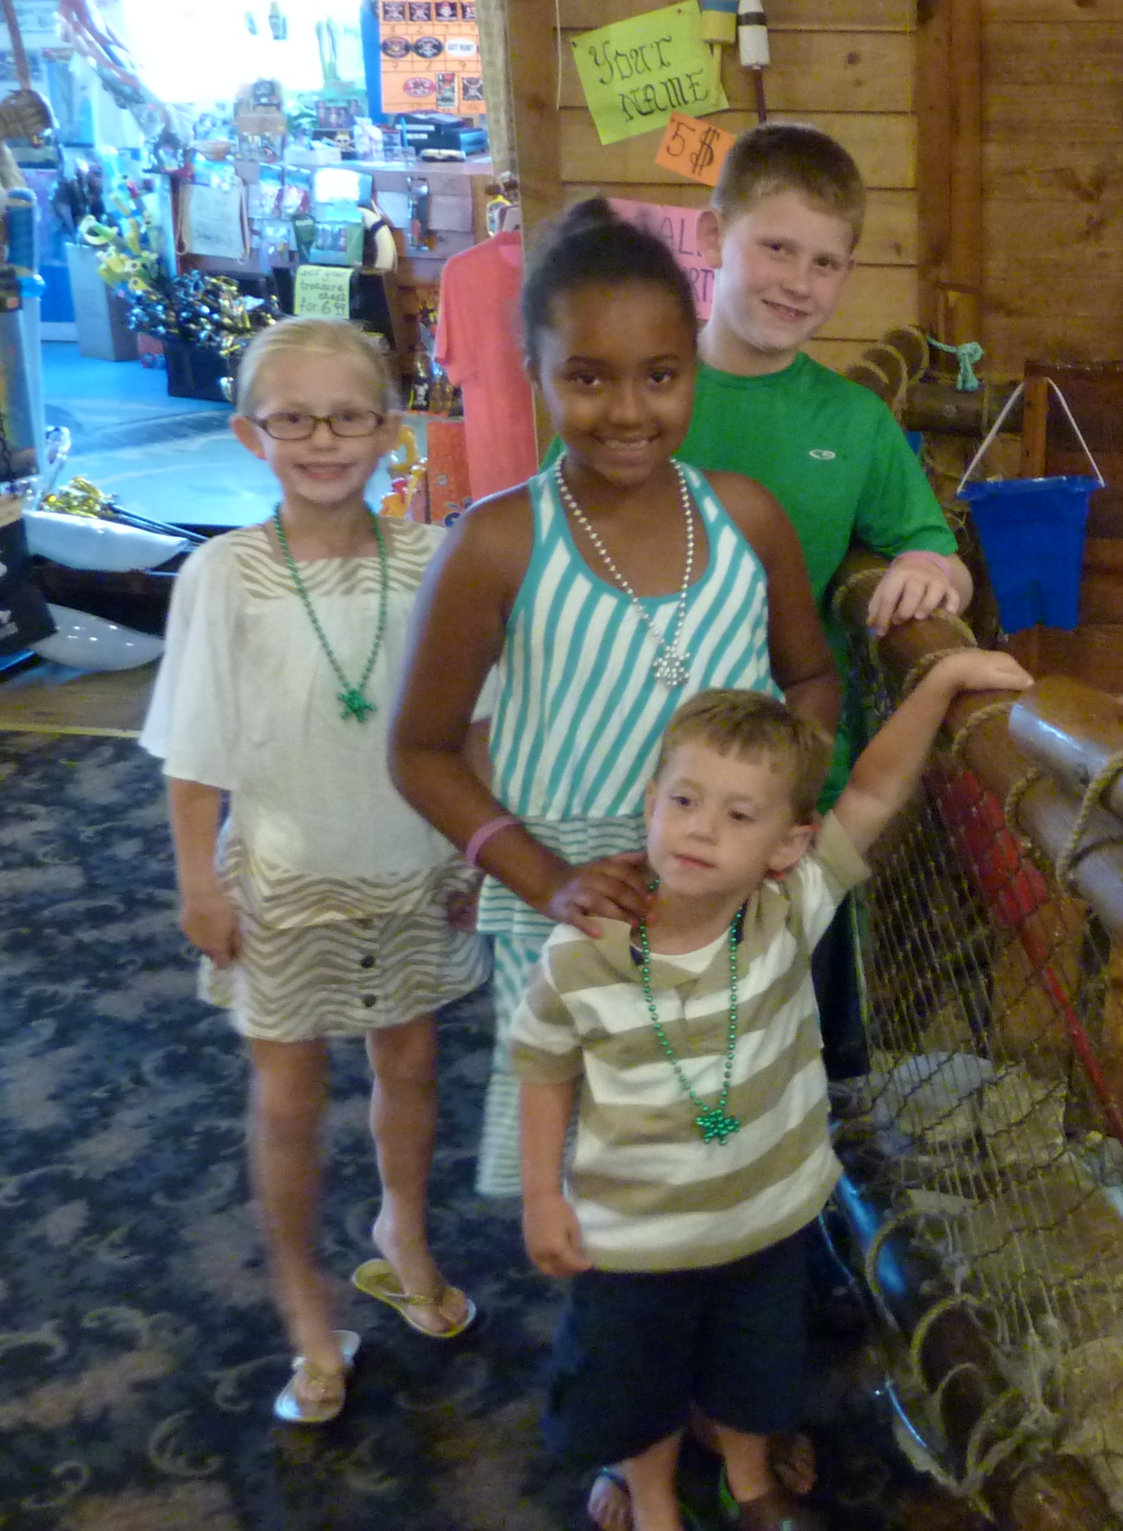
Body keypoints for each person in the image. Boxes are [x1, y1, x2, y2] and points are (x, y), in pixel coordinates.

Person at [387, 196, 841, 1206]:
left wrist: (772, 813)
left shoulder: (744, 519)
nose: (627, 411)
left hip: (725, 897)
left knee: (723, 1130)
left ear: (691, 366)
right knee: (597, 1175)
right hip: (572, 913)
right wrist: (546, 879)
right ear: (535, 372)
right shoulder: (498, 543)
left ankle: (728, 1299)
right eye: (586, 378)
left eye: (659, 376)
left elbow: (809, 675)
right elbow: (418, 750)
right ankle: (612, 1349)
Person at [515, 651, 1033, 1531]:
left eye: (738, 814)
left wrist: (938, 683)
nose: (701, 829)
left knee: (758, 1371)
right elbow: (542, 1066)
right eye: (683, 801)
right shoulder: (584, 948)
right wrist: (539, 1195)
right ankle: (649, 1496)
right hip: (634, 1242)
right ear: (651, 805)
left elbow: (870, 793)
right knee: (629, 1382)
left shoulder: (787, 912)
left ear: (787, 845)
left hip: (766, 1222)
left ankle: (750, 1482)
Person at [547, 123, 972, 1093]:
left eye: (826, 262)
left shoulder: (855, 424)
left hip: (776, 803)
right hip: (620, 783)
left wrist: (928, 572)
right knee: (627, 1049)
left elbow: (933, 544)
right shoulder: (642, 396)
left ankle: (792, 1221)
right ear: (711, 236)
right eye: (776, 247)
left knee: (787, 1052)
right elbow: (546, 563)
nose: (798, 281)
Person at [143, 318, 484, 1426]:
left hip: (410, 866)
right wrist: (199, 880)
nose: (322, 440)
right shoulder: (223, 575)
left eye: (348, 416)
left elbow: (465, 723)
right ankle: (304, 1309)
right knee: (288, 1096)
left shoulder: (432, 561)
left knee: (412, 1062)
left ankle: (404, 1233)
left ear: (391, 429)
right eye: (293, 418)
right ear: (252, 434)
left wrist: (476, 840)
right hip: (283, 881)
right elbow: (196, 751)